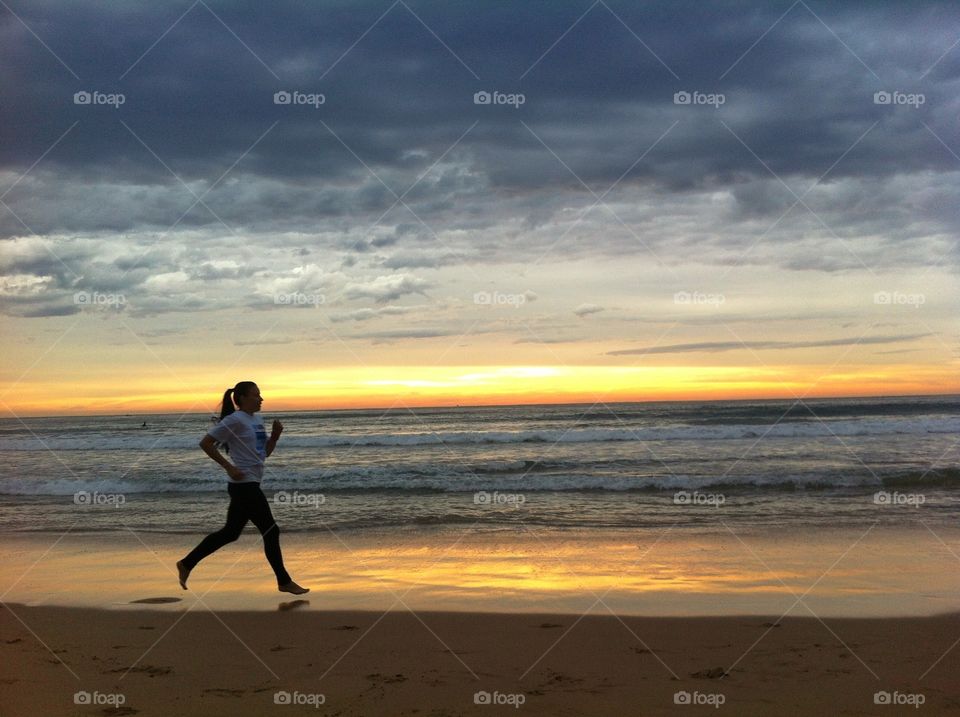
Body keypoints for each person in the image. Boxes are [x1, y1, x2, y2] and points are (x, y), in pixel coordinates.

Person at [177, 381, 309, 595]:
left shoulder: (256, 419)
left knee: (230, 533)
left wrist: (275, 436)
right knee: (271, 530)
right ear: (242, 398)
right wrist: (229, 467)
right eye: (256, 395)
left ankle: (186, 563)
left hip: (248, 484)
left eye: (260, 394)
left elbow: (264, 453)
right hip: (244, 486)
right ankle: (284, 581)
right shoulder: (234, 419)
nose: (261, 399)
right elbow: (205, 443)